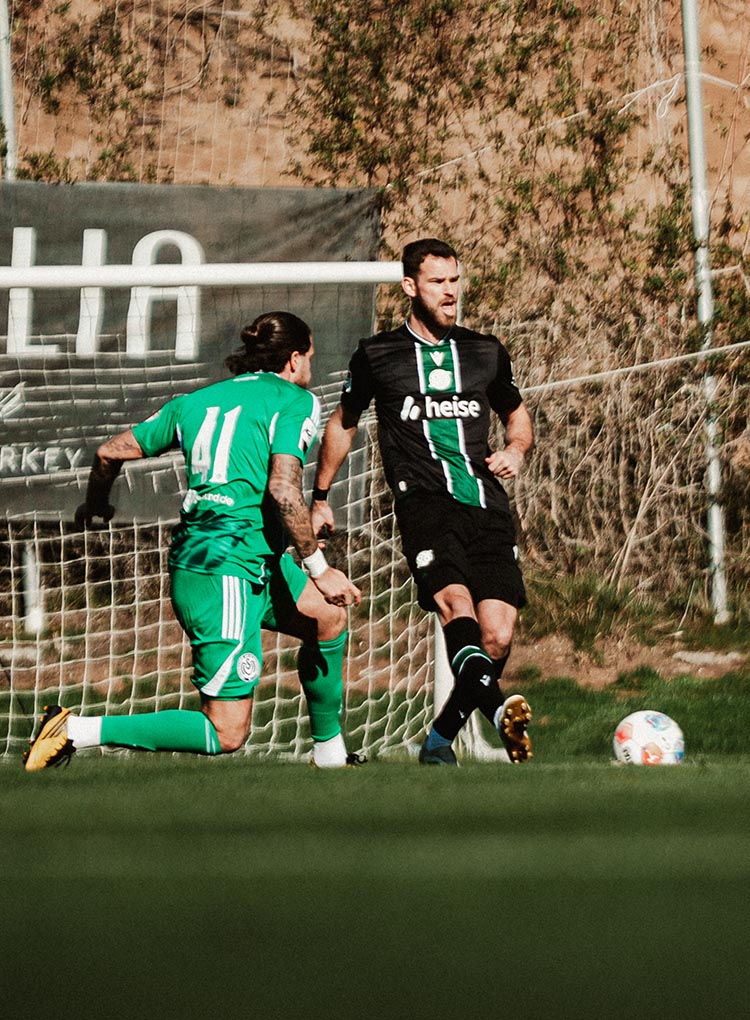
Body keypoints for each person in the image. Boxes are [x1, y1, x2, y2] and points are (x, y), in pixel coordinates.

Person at [25, 311, 363, 772]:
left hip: (241, 558)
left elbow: (109, 452)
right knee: (227, 732)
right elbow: (283, 489)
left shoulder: (196, 401)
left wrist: (96, 506)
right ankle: (74, 730)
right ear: (294, 358)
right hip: (223, 568)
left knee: (327, 618)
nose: (310, 368)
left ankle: (330, 755)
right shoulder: (295, 400)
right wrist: (319, 569)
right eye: (310, 358)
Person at [311, 239, 533, 765]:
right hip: (424, 506)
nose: (450, 291)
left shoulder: (485, 351)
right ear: (411, 287)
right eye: (438, 282)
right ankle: (500, 711)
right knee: (456, 608)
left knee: (497, 637)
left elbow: (516, 415)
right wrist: (321, 496)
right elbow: (342, 424)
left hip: (487, 505)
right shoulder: (377, 354)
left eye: (455, 280)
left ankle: (438, 741)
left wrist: (517, 450)